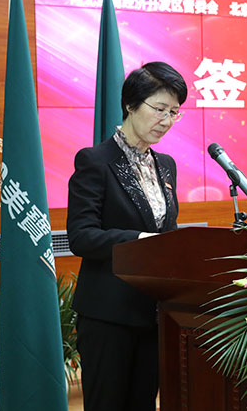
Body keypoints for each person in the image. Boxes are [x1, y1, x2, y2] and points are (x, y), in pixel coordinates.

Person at [67, 61, 188, 411]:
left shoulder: (166, 165)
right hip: (108, 314)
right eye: (159, 109)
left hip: (153, 314)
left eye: (174, 112)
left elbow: (166, 230)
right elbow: (82, 236)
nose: (166, 120)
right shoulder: (95, 161)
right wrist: (140, 240)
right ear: (131, 105)